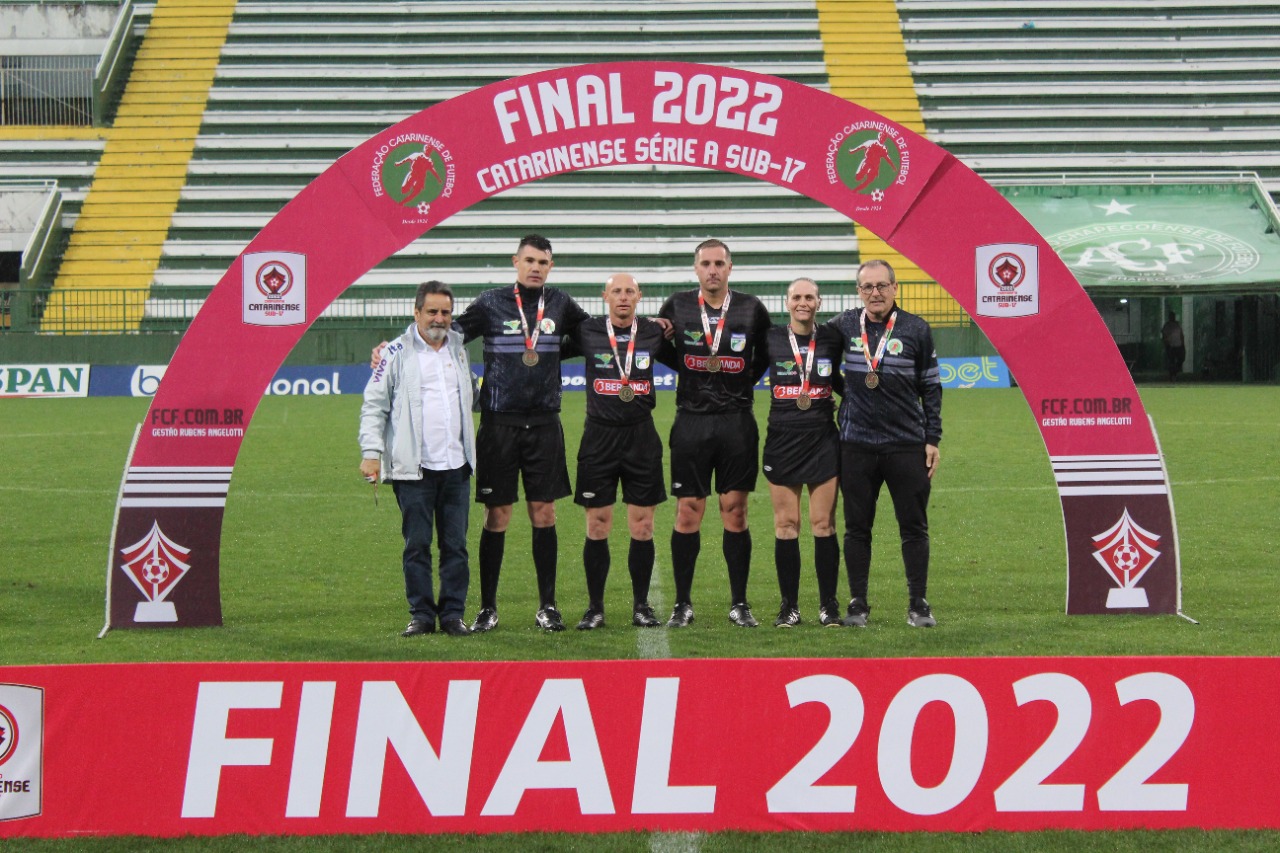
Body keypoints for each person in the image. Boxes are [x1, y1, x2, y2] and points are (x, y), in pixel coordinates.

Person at [372, 235, 589, 632]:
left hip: (545, 423)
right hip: (498, 424)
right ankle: (488, 608)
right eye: (529, 260)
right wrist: (394, 347)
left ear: (551, 266)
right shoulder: (490, 303)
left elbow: (593, 334)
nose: (536, 267)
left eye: (543, 262)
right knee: (497, 514)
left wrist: (647, 328)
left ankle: (548, 606)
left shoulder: (561, 302)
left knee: (544, 512)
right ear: (515, 262)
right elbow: (442, 329)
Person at [657, 238, 772, 628]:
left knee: (735, 511)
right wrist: (687, 367)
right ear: (696, 268)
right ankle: (682, 604)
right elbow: (657, 345)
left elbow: (765, 356)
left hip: (737, 421)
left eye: (719, 263)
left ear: (730, 268)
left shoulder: (751, 308)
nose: (712, 270)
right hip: (691, 420)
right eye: (705, 263)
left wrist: (741, 381)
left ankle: (739, 603)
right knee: (688, 511)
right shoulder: (677, 305)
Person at [827, 260, 942, 628]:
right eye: (867, 287)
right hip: (856, 444)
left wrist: (932, 438)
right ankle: (857, 603)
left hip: (906, 444)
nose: (874, 293)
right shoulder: (843, 325)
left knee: (914, 526)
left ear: (895, 288)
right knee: (856, 528)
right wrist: (848, 394)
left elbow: (931, 386)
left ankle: (918, 603)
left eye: (881, 286)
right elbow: (816, 360)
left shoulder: (916, 328)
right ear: (858, 291)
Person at [359, 280, 476, 638]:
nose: (439, 318)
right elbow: (374, 405)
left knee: (456, 546)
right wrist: (371, 453)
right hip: (414, 469)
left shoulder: (458, 348)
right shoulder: (394, 352)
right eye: (432, 311)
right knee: (417, 545)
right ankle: (422, 615)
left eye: (445, 312)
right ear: (416, 312)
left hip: (456, 466)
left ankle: (453, 614)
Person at [566, 273, 668, 629]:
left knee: (643, 525)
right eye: (616, 291)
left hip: (641, 436)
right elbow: (550, 350)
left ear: (639, 296)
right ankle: (595, 608)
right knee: (597, 524)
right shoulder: (587, 330)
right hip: (599, 437)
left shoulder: (653, 332)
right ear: (604, 296)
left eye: (629, 291)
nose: (623, 297)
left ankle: (641, 606)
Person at [763, 278, 845, 628]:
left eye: (809, 297)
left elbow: (840, 378)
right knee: (786, 525)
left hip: (822, 440)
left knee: (823, 524)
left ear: (818, 302)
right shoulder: (769, 338)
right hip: (782, 441)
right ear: (787, 303)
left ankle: (829, 606)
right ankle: (789, 607)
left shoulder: (832, 338)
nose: (803, 302)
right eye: (797, 297)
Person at [1162, 311, 1185, 381]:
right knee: (1171, 361)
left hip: (1178, 345)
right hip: (1171, 346)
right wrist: (1167, 344)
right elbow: (1164, 336)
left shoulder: (1177, 325)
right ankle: (1172, 375)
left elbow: (1181, 334)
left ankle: (1174, 372)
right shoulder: (1167, 326)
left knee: (1181, 359)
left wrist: (1182, 344)